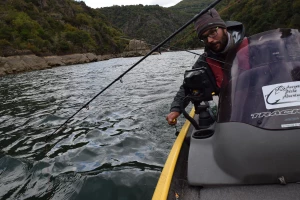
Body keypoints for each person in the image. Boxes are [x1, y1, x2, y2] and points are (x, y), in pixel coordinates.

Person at [166, 8, 246, 125]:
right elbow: (188, 86)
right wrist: (175, 109)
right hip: (230, 112)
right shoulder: (204, 60)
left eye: (213, 32)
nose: (210, 40)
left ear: (224, 28)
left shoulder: (252, 46)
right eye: (204, 37)